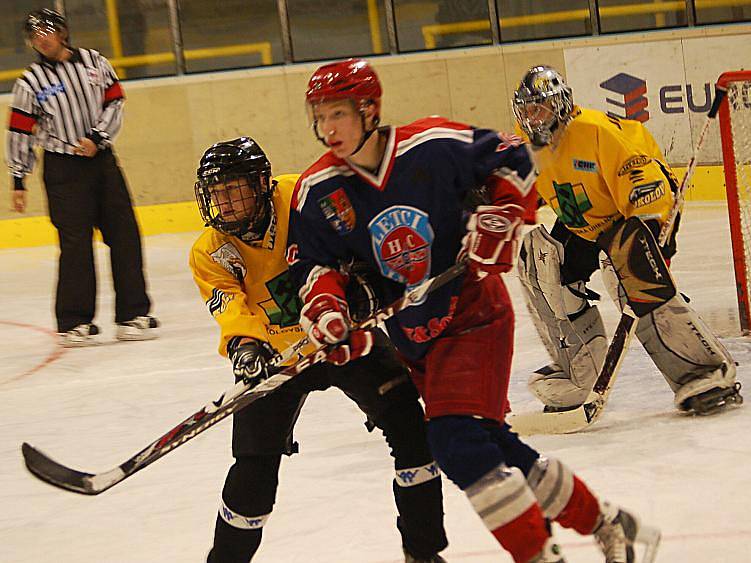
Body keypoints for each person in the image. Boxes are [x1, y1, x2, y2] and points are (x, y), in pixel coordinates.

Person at [286, 58, 660, 563]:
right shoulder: (317, 190)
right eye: (320, 116)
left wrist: (502, 216)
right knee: (492, 443)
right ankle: (609, 523)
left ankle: (537, 554)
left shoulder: (431, 145)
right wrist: (330, 312)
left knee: (454, 442)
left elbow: (514, 159)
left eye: (338, 114)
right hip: (415, 335)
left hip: (473, 312)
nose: (327, 129)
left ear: (369, 110)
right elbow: (312, 266)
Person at [189, 137, 448, 563]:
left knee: (410, 429)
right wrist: (245, 348)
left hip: (342, 335)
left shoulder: (304, 196)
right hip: (278, 356)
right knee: (252, 469)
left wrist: (366, 284)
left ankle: (422, 553)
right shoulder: (210, 250)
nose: (225, 203)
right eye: (216, 193)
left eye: (233, 189)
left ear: (261, 183)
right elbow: (230, 306)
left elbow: (359, 235)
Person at [512, 65, 742, 415]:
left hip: (637, 212)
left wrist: (650, 226)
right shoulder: (531, 144)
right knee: (538, 259)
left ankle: (704, 373)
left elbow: (643, 178)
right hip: (586, 222)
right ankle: (579, 374)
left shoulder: (595, 131)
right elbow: (531, 187)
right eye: (526, 110)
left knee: (630, 269)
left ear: (559, 105)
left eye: (539, 108)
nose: (532, 118)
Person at [5, 9, 157, 346]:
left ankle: (133, 313)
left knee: (125, 234)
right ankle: (74, 321)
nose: (41, 39)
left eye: (46, 31)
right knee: (75, 245)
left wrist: (98, 138)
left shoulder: (94, 62)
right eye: (33, 35)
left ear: (62, 32)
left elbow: (115, 101)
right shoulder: (29, 83)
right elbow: (19, 131)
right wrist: (19, 178)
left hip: (102, 161)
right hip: (63, 168)